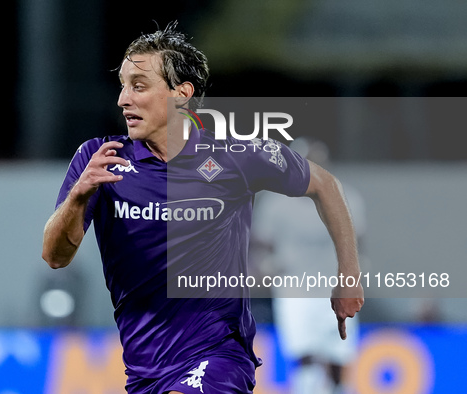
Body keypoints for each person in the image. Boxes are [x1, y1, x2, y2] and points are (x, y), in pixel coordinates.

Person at [42, 22, 363, 394]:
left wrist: (349, 274)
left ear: (181, 94)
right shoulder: (100, 159)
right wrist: (79, 195)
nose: (123, 99)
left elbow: (325, 184)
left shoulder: (236, 156)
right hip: (145, 369)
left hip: (220, 354)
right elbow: (54, 256)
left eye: (139, 86)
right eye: (123, 86)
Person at [251, 137, 366, 394]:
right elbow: (262, 244)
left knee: (340, 356)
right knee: (305, 355)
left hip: (334, 286)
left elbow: (358, 243)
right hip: (295, 290)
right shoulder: (277, 203)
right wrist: (264, 270)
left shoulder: (347, 198)